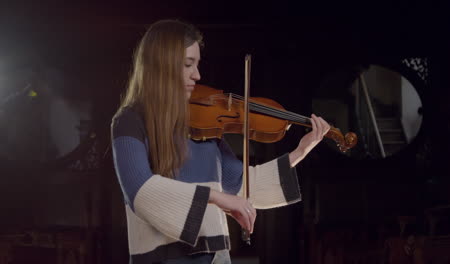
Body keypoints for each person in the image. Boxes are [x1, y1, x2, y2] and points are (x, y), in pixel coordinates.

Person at [111, 19, 330, 264]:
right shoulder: (130, 120)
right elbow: (140, 191)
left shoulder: (204, 125)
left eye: (197, 64)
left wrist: (301, 150)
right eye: (187, 64)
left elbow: (241, 186)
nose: (197, 75)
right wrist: (215, 197)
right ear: (162, 66)